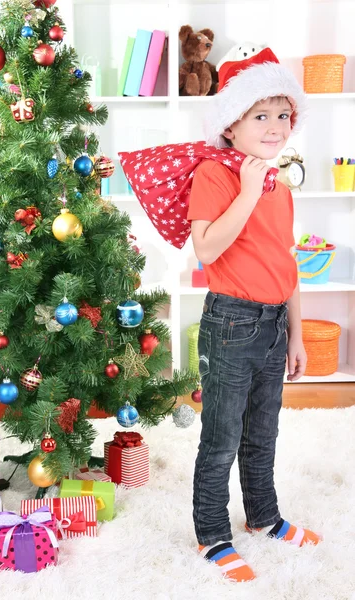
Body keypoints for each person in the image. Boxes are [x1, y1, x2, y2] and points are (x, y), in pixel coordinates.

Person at [187, 47, 322, 583]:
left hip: (273, 325)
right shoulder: (215, 178)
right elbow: (207, 250)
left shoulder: (281, 187)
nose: (274, 126)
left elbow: (286, 264)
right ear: (231, 124)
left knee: (263, 432)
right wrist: (246, 189)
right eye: (259, 115)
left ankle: (264, 517)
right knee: (221, 438)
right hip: (231, 323)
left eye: (282, 114)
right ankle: (211, 534)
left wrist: (297, 335)